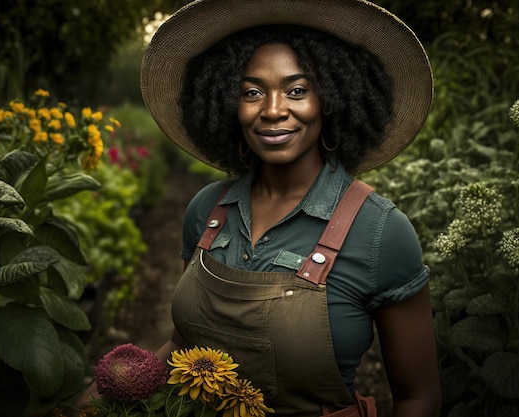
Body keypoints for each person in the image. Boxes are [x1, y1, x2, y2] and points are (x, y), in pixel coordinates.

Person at [138, 0, 441, 416]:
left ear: (332, 100)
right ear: (228, 103)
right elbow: (184, 343)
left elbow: (417, 396)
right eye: (252, 92)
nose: (274, 110)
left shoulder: (380, 232)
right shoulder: (207, 209)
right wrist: (106, 396)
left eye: (297, 90)